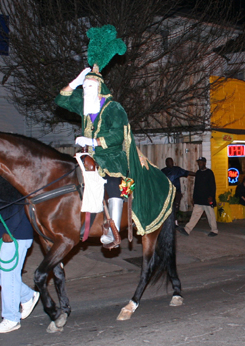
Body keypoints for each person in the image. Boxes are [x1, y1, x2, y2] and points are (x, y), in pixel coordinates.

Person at [56, 25, 174, 247]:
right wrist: (76, 81)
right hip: (88, 155)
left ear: (100, 88)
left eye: (90, 87)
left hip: (112, 157)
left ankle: (113, 229)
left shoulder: (113, 108)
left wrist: (92, 141)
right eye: (85, 87)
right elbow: (61, 100)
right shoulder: (85, 106)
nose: (86, 92)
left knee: (112, 181)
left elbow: (118, 134)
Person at [0, 176, 39, 334]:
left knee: (9, 275)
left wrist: (10, 231)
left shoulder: (16, 177)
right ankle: (27, 295)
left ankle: (11, 318)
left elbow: (20, 205)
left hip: (16, 233)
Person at [178, 157, 218, 237]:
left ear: (204, 163)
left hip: (207, 198)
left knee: (210, 215)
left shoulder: (209, 172)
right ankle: (187, 229)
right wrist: (194, 197)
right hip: (199, 198)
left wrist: (211, 197)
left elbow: (213, 186)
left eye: (200, 163)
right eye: (198, 163)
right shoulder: (198, 173)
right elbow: (196, 186)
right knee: (195, 214)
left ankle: (214, 230)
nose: (199, 164)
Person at [161, 157, 195, 224]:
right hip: (167, 193)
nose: (171, 163)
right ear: (166, 163)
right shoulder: (163, 171)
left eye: (172, 161)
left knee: (176, 207)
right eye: (169, 162)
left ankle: (175, 221)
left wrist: (197, 174)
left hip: (176, 192)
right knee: (168, 207)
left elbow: (186, 172)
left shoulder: (177, 170)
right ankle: (168, 222)